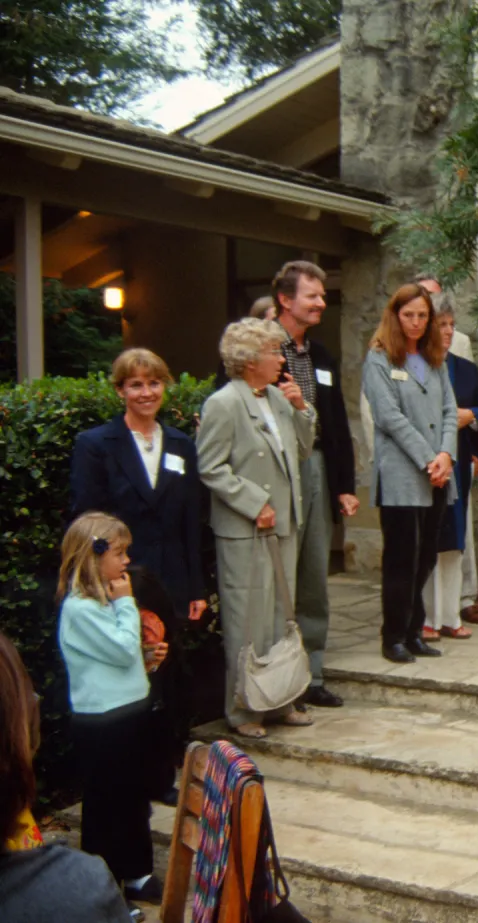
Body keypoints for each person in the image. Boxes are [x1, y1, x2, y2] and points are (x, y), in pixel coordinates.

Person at [70, 349, 206, 803]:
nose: (146, 392)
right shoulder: (96, 444)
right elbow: (88, 517)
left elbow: (192, 521)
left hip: (171, 579)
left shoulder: (182, 445)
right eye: (135, 384)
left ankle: (163, 776)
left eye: (154, 383)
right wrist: (103, 578)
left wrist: (196, 587)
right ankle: (136, 776)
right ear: (119, 390)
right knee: (132, 675)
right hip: (120, 578)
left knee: (167, 679)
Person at [197, 319, 317, 737]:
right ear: (250, 360)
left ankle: (280, 698)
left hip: (283, 522)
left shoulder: (277, 398)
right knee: (247, 619)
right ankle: (243, 709)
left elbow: (303, 451)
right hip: (245, 529)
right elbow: (211, 467)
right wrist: (253, 501)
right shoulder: (224, 404)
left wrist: (302, 408)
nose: (281, 359)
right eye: (273, 352)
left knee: (281, 616)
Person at [55, 512, 168, 908]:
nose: (125, 563)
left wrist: (147, 657)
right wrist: (127, 604)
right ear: (93, 555)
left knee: (134, 799)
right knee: (107, 807)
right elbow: (120, 649)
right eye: (119, 553)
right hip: (103, 724)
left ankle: (138, 874)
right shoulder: (80, 609)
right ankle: (105, 890)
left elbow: (121, 655)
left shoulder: (103, 602)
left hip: (129, 714)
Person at [268, 261, 359, 710]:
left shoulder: (321, 355)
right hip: (276, 472)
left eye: (323, 295)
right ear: (286, 300)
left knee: (314, 576)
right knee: (279, 576)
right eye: (313, 296)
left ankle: (314, 672)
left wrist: (345, 483)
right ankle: (277, 678)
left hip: (318, 467)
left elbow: (337, 421)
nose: (322, 302)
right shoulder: (261, 349)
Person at [0, 631, 132, 923]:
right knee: (102, 799)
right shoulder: (77, 891)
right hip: (98, 718)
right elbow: (123, 649)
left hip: (117, 714)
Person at [362, 283, 458, 663]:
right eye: (409, 315)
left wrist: (446, 454)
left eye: (422, 316)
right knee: (402, 558)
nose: (416, 323)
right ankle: (394, 636)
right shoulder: (380, 359)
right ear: (394, 316)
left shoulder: (436, 358)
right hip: (404, 473)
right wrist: (428, 458)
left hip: (437, 474)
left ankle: (415, 631)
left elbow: (450, 410)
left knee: (426, 558)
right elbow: (388, 418)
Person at [424, 301, 478, 641]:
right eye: (442, 324)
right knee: (427, 540)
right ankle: (426, 618)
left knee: (453, 539)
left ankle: (450, 615)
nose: (450, 331)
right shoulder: (413, 367)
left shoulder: (466, 370)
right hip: (423, 466)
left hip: (459, 463)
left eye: (452, 324)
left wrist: (473, 418)